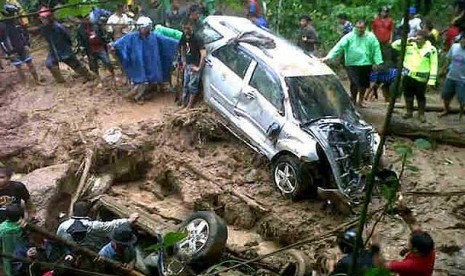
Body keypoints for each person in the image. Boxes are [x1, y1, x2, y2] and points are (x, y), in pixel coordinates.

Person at [322, 19, 383, 107]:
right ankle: (353, 100)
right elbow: (339, 47)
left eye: (361, 28)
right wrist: (328, 57)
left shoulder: (371, 37)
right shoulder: (349, 36)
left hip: (366, 63)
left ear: (365, 28)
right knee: (354, 83)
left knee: (364, 84)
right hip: (352, 63)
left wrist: (378, 61)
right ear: (355, 27)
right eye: (357, 27)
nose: (359, 29)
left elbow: (376, 49)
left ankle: (360, 101)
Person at [37, 7, 94, 83]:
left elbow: (67, 37)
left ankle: (89, 76)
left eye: (44, 18)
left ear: (49, 18)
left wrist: (68, 46)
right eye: (41, 19)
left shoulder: (58, 27)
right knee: (50, 63)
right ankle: (60, 80)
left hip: (64, 49)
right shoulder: (45, 29)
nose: (43, 20)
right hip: (54, 51)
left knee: (76, 65)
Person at [392, 30, 438, 123]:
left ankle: (421, 114)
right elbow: (394, 45)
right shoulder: (409, 45)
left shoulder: (431, 49)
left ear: (425, 40)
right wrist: (409, 40)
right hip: (407, 76)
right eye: (416, 37)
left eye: (420, 38)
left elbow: (434, 65)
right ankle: (409, 112)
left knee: (420, 97)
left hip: (421, 78)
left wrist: (431, 81)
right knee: (408, 95)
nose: (417, 40)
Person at [56, 201, 139, 252]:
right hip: (94, 254)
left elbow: (58, 240)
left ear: (73, 212)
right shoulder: (93, 226)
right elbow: (112, 225)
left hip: (69, 253)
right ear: (89, 213)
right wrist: (129, 220)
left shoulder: (62, 225)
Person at [0, 4, 41, 85]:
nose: (14, 15)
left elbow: (23, 34)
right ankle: (25, 84)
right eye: (12, 13)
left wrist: (26, 44)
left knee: (30, 65)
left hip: (22, 47)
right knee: (19, 68)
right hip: (12, 51)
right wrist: (9, 53)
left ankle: (37, 81)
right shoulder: (2, 26)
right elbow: (1, 41)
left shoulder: (16, 23)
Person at [76, 14, 115, 83]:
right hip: (90, 49)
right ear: (82, 20)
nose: (88, 19)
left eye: (88, 18)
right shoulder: (80, 29)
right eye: (85, 19)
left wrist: (108, 42)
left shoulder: (96, 24)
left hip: (100, 47)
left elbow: (103, 34)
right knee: (94, 66)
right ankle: (99, 79)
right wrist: (83, 52)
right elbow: (80, 41)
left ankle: (113, 75)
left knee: (107, 62)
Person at [180, 21, 206, 108]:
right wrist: (183, 61)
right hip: (188, 63)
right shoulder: (184, 36)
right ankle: (184, 104)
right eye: (184, 28)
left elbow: (203, 54)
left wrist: (199, 67)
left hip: (194, 64)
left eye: (187, 28)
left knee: (192, 86)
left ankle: (189, 106)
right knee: (185, 85)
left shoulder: (197, 38)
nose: (186, 30)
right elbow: (182, 48)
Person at [439, 33, 465, 118]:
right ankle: (446, 109)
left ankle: (461, 113)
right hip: (450, 76)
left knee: (462, 99)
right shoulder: (454, 47)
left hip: (462, 79)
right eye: (463, 39)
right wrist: (443, 69)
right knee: (445, 96)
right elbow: (448, 59)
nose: (464, 42)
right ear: (461, 39)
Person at [0, 204, 26, 276]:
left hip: (7, 256)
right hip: (22, 256)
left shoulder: (2, 228)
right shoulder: (23, 226)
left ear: (7, 216)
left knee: (9, 272)